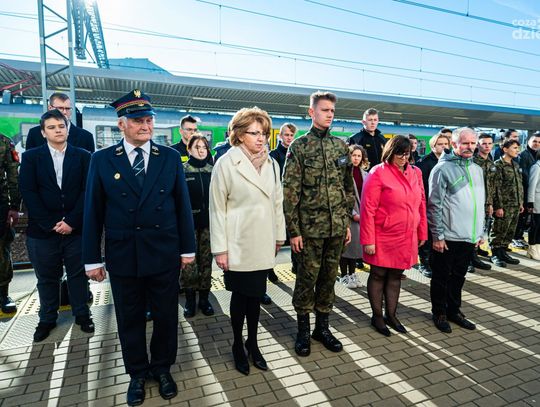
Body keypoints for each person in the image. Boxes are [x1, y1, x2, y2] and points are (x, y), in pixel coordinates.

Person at [83, 90, 196, 406]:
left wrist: (187, 249)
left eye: (148, 120)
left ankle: (162, 368)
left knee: (166, 316)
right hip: (124, 255)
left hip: (164, 252)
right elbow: (93, 212)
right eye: (137, 121)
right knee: (129, 318)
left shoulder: (169, 157)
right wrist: (92, 259)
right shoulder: (102, 160)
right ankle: (136, 373)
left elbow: (182, 207)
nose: (145, 126)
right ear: (121, 124)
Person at [209, 107, 286, 376]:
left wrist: (279, 235)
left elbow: (277, 202)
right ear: (240, 135)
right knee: (240, 296)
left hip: (263, 241)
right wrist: (220, 249)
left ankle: (253, 343)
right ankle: (237, 345)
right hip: (237, 244)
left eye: (264, 133)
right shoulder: (226, 163)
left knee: (255, 296)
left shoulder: (272, 164)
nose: (261, 138)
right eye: (254, 133)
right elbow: (217, 209)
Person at [283, 91, 354, 357]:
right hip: (310, 231)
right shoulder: (299, 147)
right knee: (306, 279)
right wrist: (294, 231)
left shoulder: (341, 147)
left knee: (328, 279)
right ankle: (303, 330)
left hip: (336, 229)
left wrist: (345, 222)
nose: (330, 114)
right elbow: (290, 192)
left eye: (332, 111)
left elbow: (347, 187)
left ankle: (322, 328)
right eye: (325, 110)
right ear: (311, 112)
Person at [19, 109, 94, 342]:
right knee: (46, 278)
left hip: (76, 230)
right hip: (42, 232)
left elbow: (87, 190)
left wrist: (71, 221)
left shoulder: (83, 156)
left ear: (67, 129)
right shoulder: (31, 158)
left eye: (61, 126)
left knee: (78, 276)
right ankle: (47, 319)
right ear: (43, 132)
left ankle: (82, 315)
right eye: (51, 127)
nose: (58, 130)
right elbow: (28, 192)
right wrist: (50, 223)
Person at [360, 135, 427, 336]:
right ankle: (377, 317)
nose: (403, 158)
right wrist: (368, 240)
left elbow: (421, 204)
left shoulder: (416, 173)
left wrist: (422, 231)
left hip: (406, 235)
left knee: (396, 276)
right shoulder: (378, 173)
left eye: (407, 154)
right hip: (382, 235)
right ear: (390, 153)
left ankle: (391, 315)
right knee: (378, 275)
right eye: (399, 154)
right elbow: (368, 209)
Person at [428, 127, 485, 333]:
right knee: (441, 277)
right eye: (465, 143)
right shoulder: (442, 169)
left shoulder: (477, 169)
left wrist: (480, 232)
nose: (470, 147)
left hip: (469, 236)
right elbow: (434, 205)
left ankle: (454, 310)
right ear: (454, 144)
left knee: (459, 277)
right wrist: (438, 236)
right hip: (448, 236)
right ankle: (439, 312)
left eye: (473, 143)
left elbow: (479, 203)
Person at [181, 134, 214, 318]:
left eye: (204, 147)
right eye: (197, 147)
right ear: (189, 150)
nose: (201, 151)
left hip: (209, 225)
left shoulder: (213, 171)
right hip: (188, 227)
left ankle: (204, 299)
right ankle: (189, 301)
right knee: (189, 264)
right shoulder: (182, 170)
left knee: (206, 262)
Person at [416, 129, 451, 278]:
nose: (444, 147)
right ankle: (424, 263)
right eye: (440, 144)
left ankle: (436, 262)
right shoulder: (424, 163)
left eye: (446, 144)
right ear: (433, 146)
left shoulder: (450, 162)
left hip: (445, 205)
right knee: (427, 235)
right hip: (428, 204)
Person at [269, 122, 298, 279]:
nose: (289, 138)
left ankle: (296, 264)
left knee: (295, 233)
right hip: (278, 202)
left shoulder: (297, 153)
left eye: (292, 135)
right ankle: (269, 267)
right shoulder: (273, 156)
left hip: (294, 202)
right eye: (286, 135)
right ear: (280, 136)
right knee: (276, 237)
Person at [490, 139, 524, 267]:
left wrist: (521, 203)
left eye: (517, 148)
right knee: (499, 230)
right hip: (504, 205)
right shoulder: (498, 165)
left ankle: (503, 252)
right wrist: (498, 206)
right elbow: (496, 188)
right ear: (505, 149)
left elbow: (519, 185)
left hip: (515, 204)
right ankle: (495, 254)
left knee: (510, 231)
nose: (517, 150)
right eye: (514, 148)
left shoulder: (515, 165)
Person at [26, 92, 95, 152]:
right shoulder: (34, 134)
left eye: (67, 108)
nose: (64, 112)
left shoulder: (86, 137)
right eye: (60, 108)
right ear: (50, 108)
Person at [340, 145, 367, 289]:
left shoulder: (365, 174)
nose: (356, 158)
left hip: (362, 215)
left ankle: (352, 274)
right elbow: (342, 196)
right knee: (346, 247)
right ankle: (344, 275)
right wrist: (353, 214)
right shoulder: (344, 173)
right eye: (353, 155)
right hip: (349, 215)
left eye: (359, 156)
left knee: (356, 247)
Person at [0, 134, 21, 313]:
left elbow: (13, 176)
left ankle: (3, 294)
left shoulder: (4, 143)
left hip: (0, 205)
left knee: (1, 250)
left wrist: (14, 206)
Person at [470, 133, 496, 271]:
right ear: (478, 145)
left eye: (489, 143)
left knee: (481, 230)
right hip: (474, 202)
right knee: (471, 230)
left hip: (486, 202)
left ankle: (474, 256)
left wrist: (490, 203)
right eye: (484, 143)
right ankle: (469, 259)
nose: (487, 146)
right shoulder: (472, 161)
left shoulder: (491, 162)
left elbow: (492, 185)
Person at [514, 132, 540, 248]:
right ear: (528, 142)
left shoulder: (535, 155)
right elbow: (524, 175)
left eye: (539, 142)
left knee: (527, 218)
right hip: (525, 191)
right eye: (534, 141)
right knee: (522, 216)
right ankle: (516, 237)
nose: (537, 144)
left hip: (531, 191)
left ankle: (519, 236)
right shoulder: (523, 155)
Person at [527, 150, 540, 260]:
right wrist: (530, 202)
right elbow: (532, 185)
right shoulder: (536, 167)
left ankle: (537, 248)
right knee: (535, 226)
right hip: (537, 201)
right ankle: (531, 248)